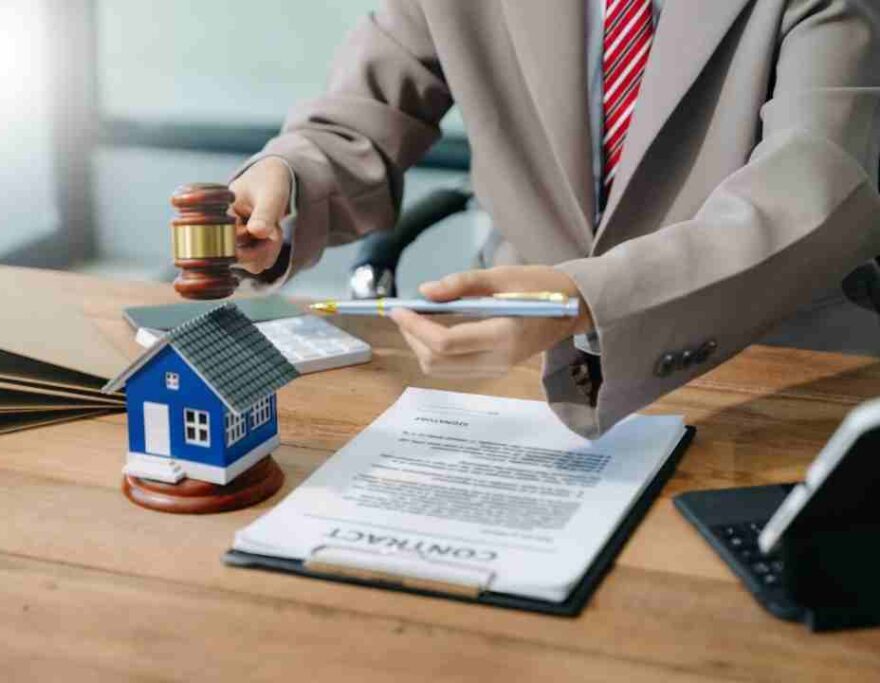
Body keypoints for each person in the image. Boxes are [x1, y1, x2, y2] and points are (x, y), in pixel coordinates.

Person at [226, 0, 880, 437]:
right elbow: (358, 114)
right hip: (519, 377)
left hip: (767, 372)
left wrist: (589, 298)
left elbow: (817, 182)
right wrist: (286, 177)